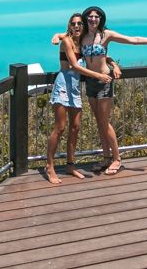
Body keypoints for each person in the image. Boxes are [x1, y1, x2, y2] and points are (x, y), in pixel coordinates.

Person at [80, 5, 147, 175]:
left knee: (104, 121)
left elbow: (134, 40)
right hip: (90, 81)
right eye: (90, 17)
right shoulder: (82, 36)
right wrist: (57, 36)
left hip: (104, 81)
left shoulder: (106, 35)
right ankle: (106, 158)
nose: (93, 19)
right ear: (86, 18)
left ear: (101, 19)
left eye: (96, 17)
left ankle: (117, 159)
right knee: (99, 122)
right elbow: (69, 39)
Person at [45, 13, 112, 184]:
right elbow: (74, 65)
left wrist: (113, 64)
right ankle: (50, 166)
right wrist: (99, 75)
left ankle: (70, 165)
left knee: (75, 127)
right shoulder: (67, 41)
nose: (77, 26)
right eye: (73, 23)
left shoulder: (80, 41)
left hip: (74, 87)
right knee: (60, 128)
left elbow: (99, 53)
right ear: (69, 25)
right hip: (63, 84)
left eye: (79, 23)